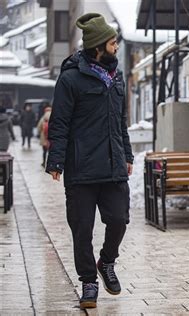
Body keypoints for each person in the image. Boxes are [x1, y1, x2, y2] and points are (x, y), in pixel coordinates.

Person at [45, 13, 133, 309]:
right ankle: (89, 282)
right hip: (81, 169)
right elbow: (59, 122)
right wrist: (55, 160)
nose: (116, 47)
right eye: (112, 42)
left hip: (113, 166)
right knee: (82, 228)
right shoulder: (71, 79)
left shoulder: (116, 77)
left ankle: (106, 262)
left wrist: (128, 155)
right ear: (98, 47)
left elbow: (121, 122)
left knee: (119, 220)